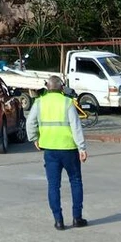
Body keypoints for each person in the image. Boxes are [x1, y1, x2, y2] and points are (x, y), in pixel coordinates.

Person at [26, 75, 88, 230]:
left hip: (50, 149)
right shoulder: (67, 102)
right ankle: (77, 218)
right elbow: (76, 126)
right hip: (69, 148)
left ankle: (58, 220)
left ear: (47, 87)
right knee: (75, 181)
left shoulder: (39, 103)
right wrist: (82, 147)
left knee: (53, 185)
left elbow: (30, 122)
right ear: (62, 87)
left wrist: (35, 138)